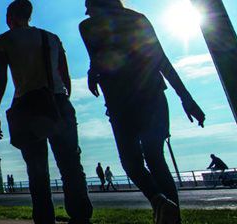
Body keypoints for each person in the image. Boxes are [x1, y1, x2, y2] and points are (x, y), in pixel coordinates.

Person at [79, 0, 206, 223]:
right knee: (155, 158)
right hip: (150, 97)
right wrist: (185, 98)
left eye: (89, 5)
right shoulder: (135, 18)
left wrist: (93, 72)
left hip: (124, 102)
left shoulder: (88, 27)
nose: (87, 11)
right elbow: (160, 58)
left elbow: (98, 58)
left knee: (132, 161)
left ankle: (160, 203)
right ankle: (167, 210)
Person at [0, 1, 93, 223]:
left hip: (29, 106)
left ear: (11, 17)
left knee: (37, 170)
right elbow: (65, 77)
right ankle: (81, 216)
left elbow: (0, 78)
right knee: (71, 165)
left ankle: (45, 219)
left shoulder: (4, 40)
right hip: (58, 102)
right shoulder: (52, 38)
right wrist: (60, 100)